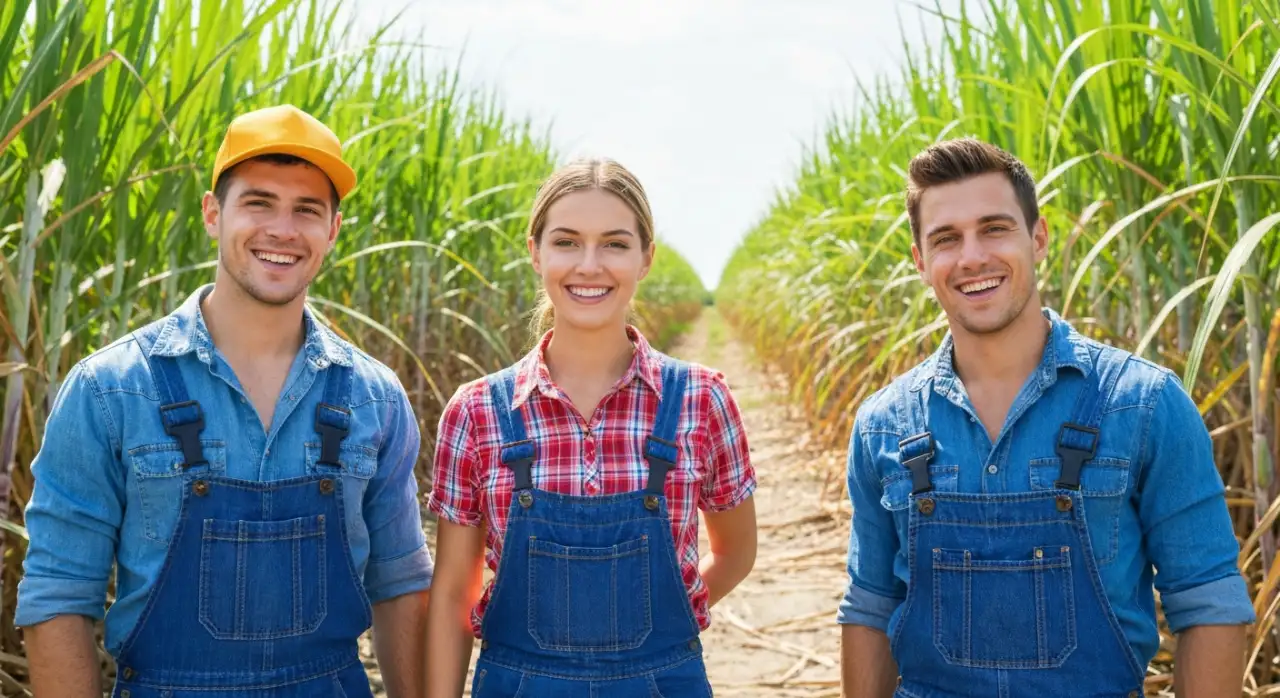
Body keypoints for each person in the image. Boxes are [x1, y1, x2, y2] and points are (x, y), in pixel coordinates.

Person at [16, 105, 433, 698]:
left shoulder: (374, 397)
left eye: (307, 210)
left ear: (333, 230)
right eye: (259, 203)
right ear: (213, 214)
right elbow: (58, 594)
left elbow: (399, 584)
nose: (282, 230)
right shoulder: (110, 389)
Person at [836, 138, 1256, 698]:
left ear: (1038, 237)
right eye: (945, 239)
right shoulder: (884, 425)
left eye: (994, 228)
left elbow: (1207, 601)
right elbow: (870, 604)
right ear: (919, 261)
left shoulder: (1145, 404)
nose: (972, 257)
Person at [424, 157, 758, 697]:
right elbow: (452, 595)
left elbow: (738, 552)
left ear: (646, 258)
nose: (589, 264)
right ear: (535, 252)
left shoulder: (701, 399)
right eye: (566, 241)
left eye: (615, 243)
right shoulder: (478, 412)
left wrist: (665, 623)